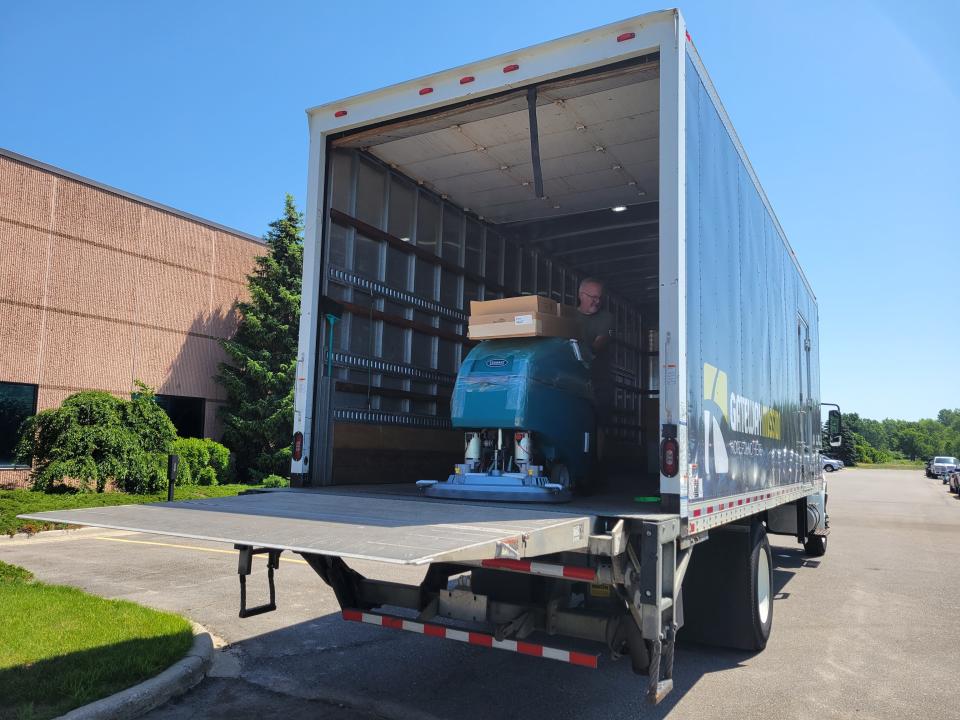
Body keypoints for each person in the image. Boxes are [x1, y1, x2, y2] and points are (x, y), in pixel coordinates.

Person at [575, 278, 615, 431]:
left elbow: (600, 342)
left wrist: (583, 353)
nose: (597, 301)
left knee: (599, 425)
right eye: (593, 297)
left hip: (600, 382)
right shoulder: (567, 316)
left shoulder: (607, 318)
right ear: (581, 295)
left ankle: (598, 455)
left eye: (599, 297)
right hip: (574, 379)